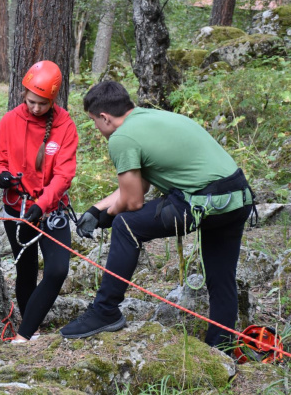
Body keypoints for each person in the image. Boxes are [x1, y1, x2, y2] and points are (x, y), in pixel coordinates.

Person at [60, 81, 255, 351]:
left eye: (94, 121)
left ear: (104, 117)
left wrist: (111, 215)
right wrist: (97, 209)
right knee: (221, 277)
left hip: (200, 201)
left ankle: (105, 310)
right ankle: (220, 347)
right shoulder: (153, 117)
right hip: (237, 198)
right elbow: (139, 185)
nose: (96, 128)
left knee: (126, 225)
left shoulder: (121, 138)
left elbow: (133, 200)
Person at [0, 61, 79, 344]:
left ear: (53, 99)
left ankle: (25, 331)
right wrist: (1, 178)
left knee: (57, 269)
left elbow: (64, 174)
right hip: (18, 209)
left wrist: (43, 204)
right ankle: (29, 332)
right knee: (25, 270)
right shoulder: (10, 121)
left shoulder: (65, 126)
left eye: (42, 103)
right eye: (30, 101)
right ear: (23, 95)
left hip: (51, 211)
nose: (35, 108)